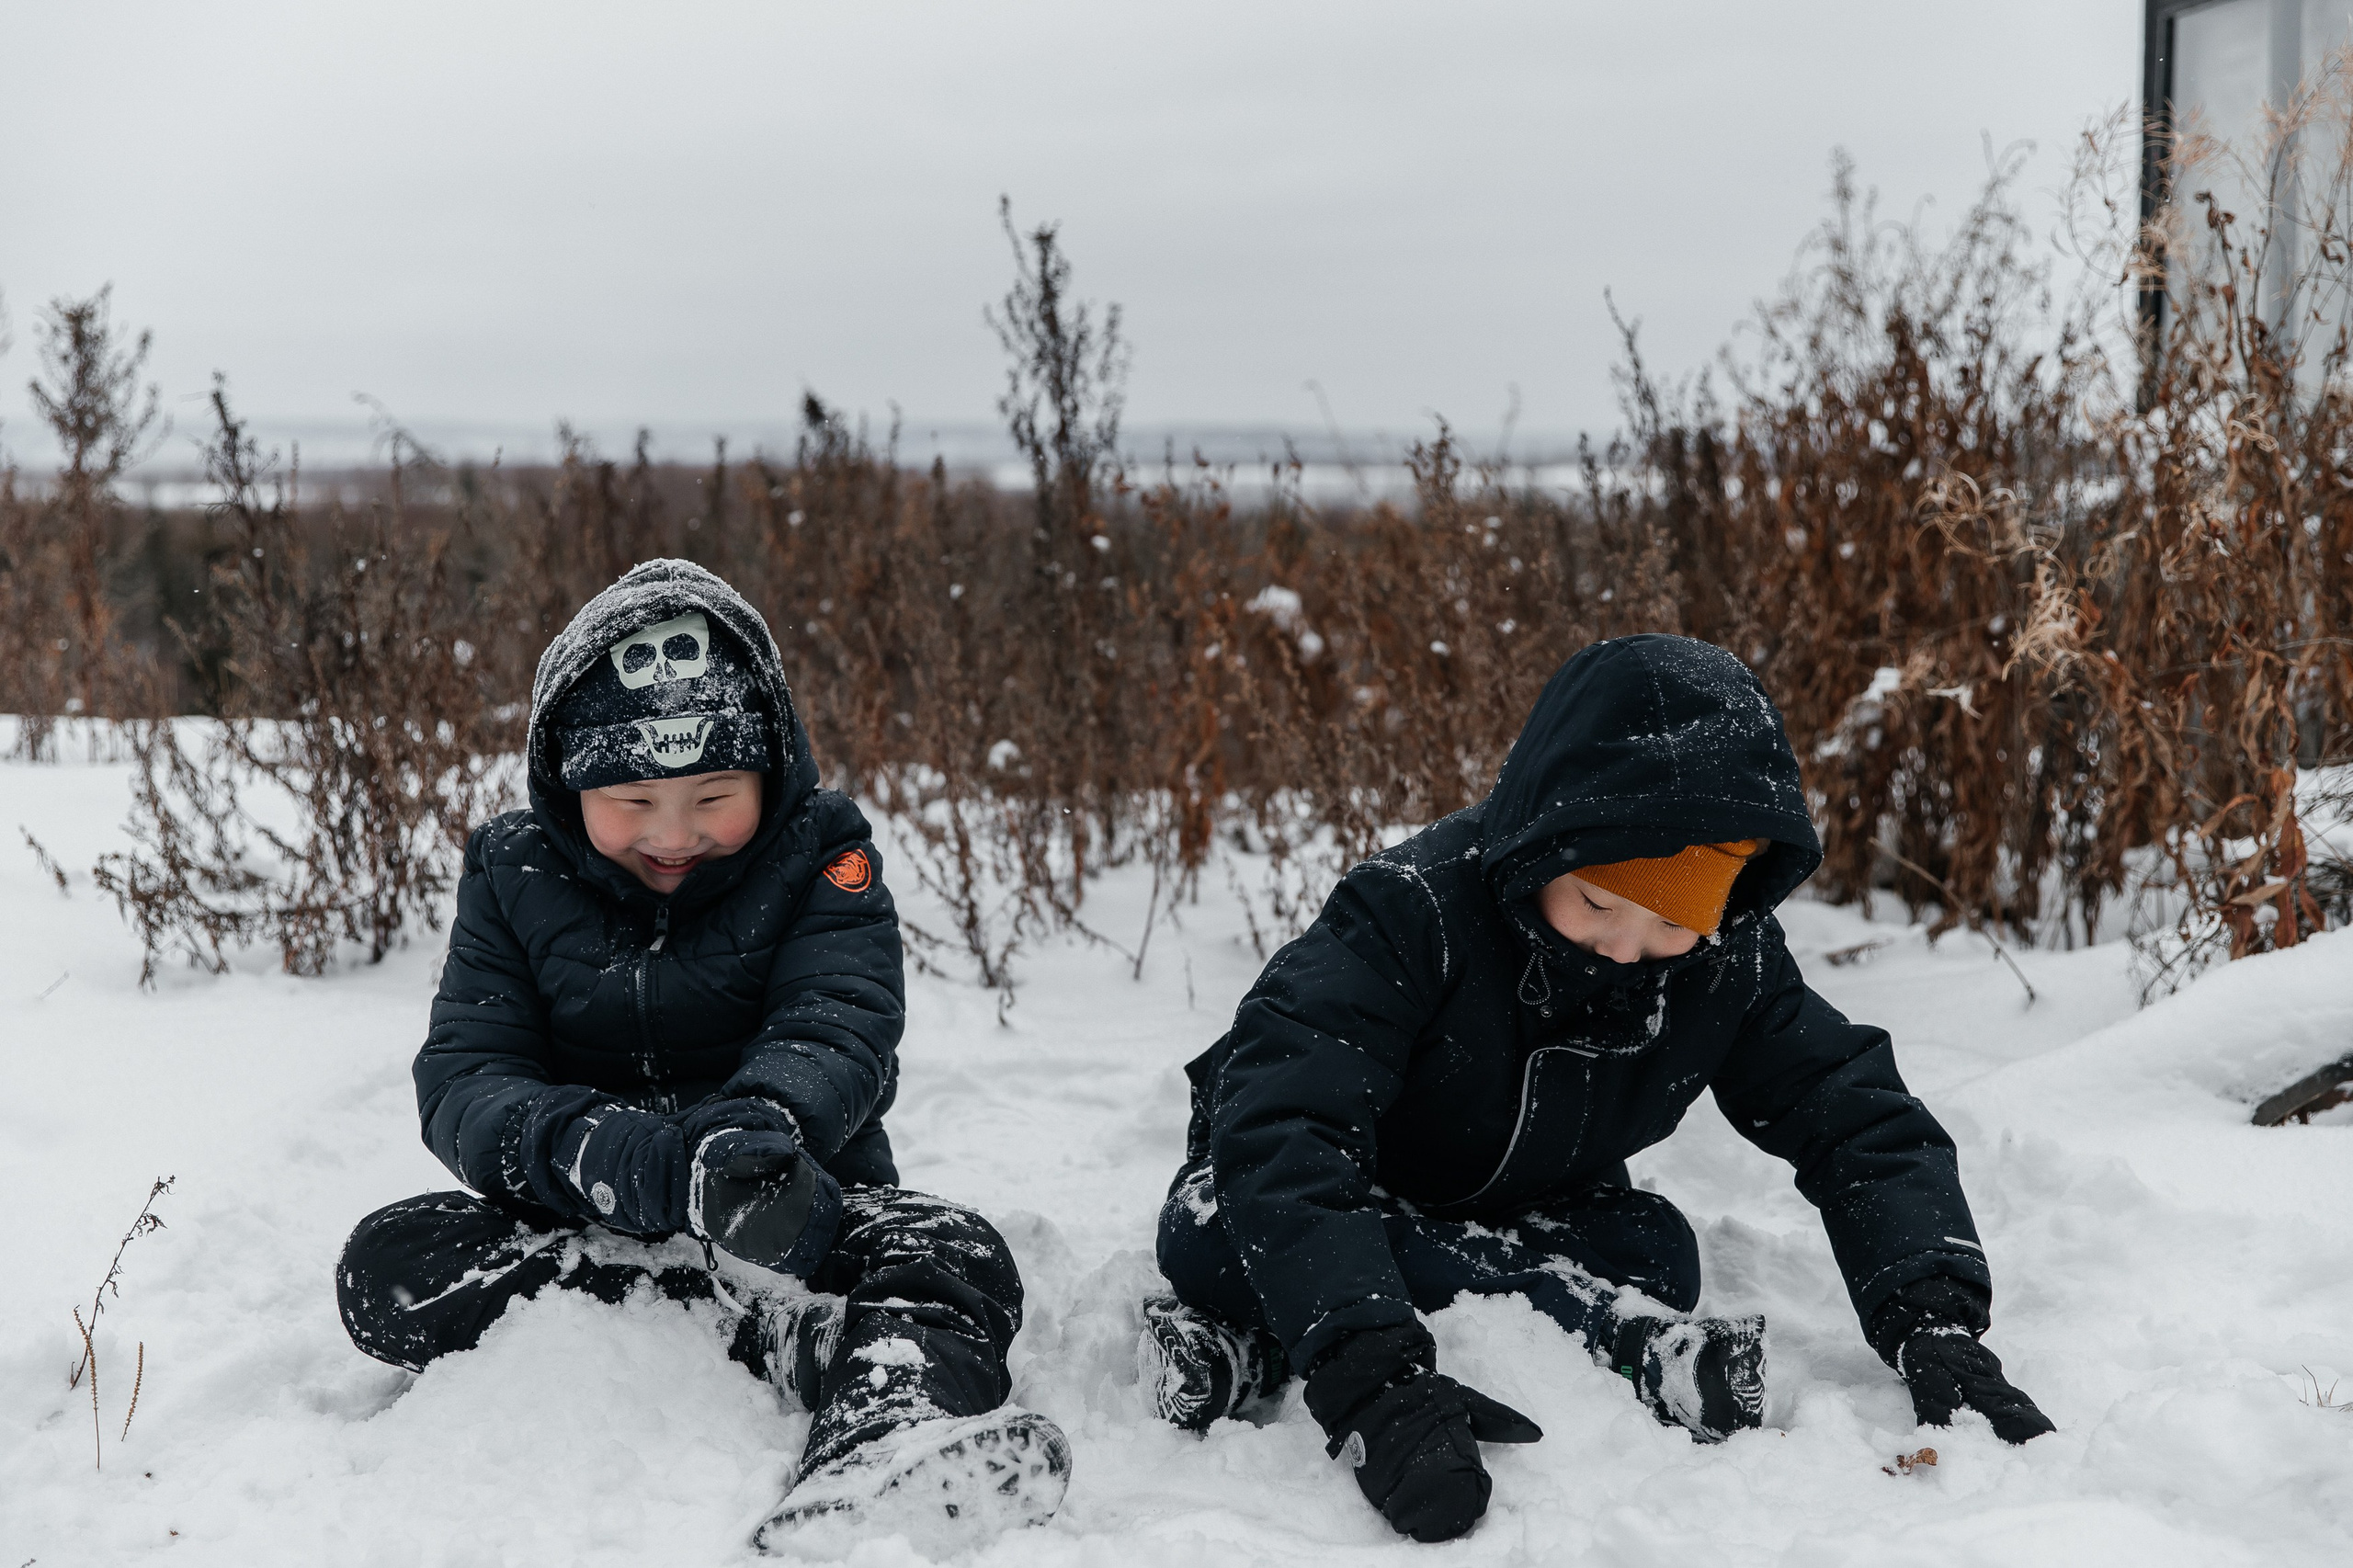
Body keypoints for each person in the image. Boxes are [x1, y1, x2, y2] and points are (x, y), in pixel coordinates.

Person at [1138, 633, 2052, 1543]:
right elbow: (1283, 1120)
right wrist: (1370, 1380)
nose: (1623, 946)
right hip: (1330, 1177)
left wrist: (1933, 1323)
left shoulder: (1728, 960)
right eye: (1598, 902)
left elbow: (1854, 1116)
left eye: (1671, 920)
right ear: (1544, 847)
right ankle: (1568, 1326)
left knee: (1658, 1252)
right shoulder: (1410, 909)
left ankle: (1270, 1335)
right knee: (1212, 1233)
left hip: (1535, 1199)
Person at [335, 559, 1068, 1550]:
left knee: (954, 1252)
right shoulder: (512, 871)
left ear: (770, 771)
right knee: (387, 1262)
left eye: (714, 796)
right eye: (633, 802)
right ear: (568, 778)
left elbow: (840, 1017)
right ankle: (755, 1331)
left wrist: (757, 1127)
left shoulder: (822, 854)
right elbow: (468, 1071)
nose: (674, 835)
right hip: (585, 1223)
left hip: (792, 1208)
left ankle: (883, 1435)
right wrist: (606, 1152)